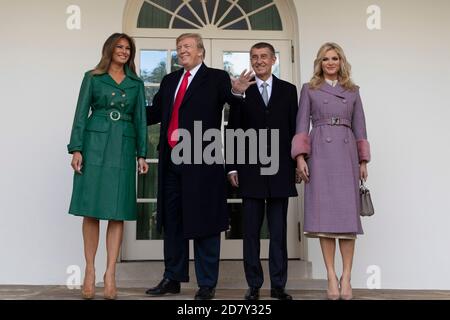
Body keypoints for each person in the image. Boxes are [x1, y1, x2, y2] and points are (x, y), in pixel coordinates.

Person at [145, 33, 253, 300]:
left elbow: (233, 102)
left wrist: (238, 91)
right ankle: (172, 277)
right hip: (171, 159)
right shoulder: (170, 80)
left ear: (200, 52)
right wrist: (127, 110)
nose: (182, 51)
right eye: (179, 47)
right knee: (172, 220)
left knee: (204, 220)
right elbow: (155, 113)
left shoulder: (216, 77)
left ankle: (206, 283)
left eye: (187, 47)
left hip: (203, 158)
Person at [67, 33, 148, 300]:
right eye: (120, 47)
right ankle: (90, 270)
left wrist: (142, 154)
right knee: (90, 209)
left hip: (124, 146)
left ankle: (110, 273)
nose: (124, 51)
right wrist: (76, 148)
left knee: (117, 211)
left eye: (128, 48)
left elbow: (140, 121)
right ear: (110, 50)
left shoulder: (136, 83)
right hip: (94, 143)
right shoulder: (92, 77)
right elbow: (80, 113)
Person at [291, 42, 370, 300]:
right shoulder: (310, 89)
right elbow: (302, 124)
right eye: (326, 59)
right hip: (320, 155)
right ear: (320, 62)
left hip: (346, 154)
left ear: (341, 61)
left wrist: (363, 161)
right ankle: (330, 276)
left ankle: (346, 277)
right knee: (325, 221)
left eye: (335, 58)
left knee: (346, 220)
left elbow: (361, 127)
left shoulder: (353, 91)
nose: (331, 62)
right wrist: (300, 156)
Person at [226, 43, 298, 300]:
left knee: (278, 232)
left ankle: (278, 286)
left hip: (280, 169)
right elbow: (233, 128)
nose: (259, 61)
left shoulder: (289, 91)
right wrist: (232, 165)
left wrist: (298, 161)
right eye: (254, 57)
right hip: (250, 169)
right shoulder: (242, 89)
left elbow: (295, 131)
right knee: (251, 232)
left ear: (274, 60)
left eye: (264, 56)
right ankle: (254, 284)